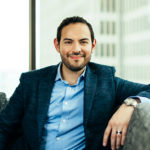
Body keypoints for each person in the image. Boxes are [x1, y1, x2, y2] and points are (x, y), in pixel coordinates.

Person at [0, 16, 150, 150]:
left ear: (93, 45)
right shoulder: (31, 82)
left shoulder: (106, 80)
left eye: (83, 42)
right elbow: (4, 127)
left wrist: (130, 104)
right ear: (57, 45)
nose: (76, 49)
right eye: (68, 42)